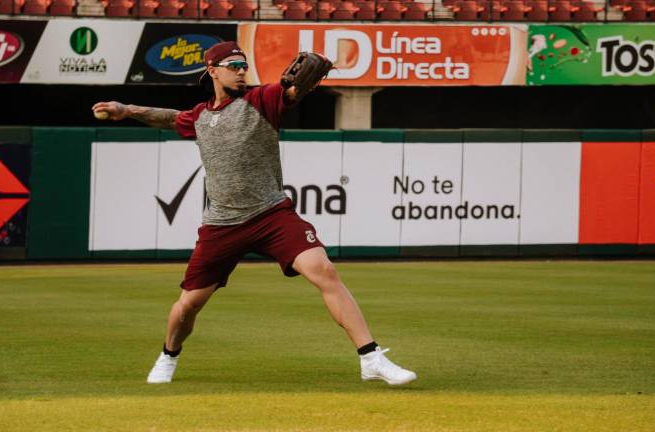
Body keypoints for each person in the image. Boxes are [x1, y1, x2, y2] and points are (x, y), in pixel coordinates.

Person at [91, 41, 416, 386]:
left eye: (244, 66)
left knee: (324, 270)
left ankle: (371, 358)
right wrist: (126, 109)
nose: (241, 71)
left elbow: (290, 92)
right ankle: (168, 355)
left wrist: (302, 82)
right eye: (233, 66)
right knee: (189, 304)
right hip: (222, 225)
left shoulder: (261, 100)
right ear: (212, 71)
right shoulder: (200, 117)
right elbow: (171, 118)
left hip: (271, 214)